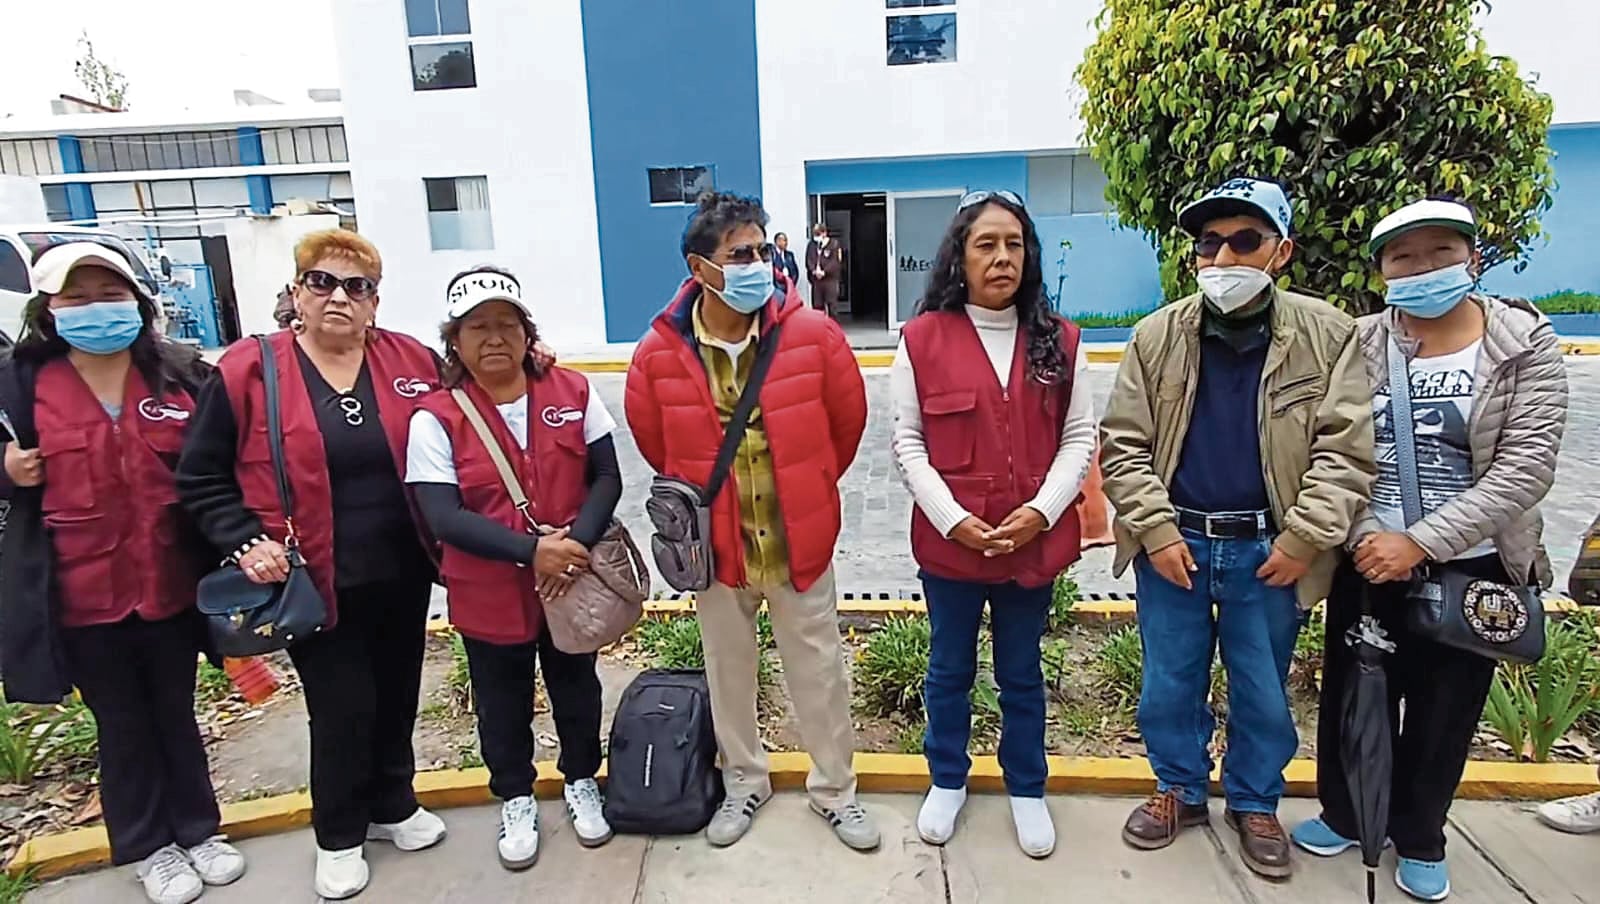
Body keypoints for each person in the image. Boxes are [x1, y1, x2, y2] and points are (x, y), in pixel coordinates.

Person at [1099, 177, 1375, 878]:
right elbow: (1123, 446)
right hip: (1178, 545)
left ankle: (1254, 801)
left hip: (1270, 551)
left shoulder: (1326, 335)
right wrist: (1156, 532)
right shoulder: (1157, 336)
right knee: (1169, 681)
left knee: (1262, 687)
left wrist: (1304, 538)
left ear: (1281, 252)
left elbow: (1345, 450)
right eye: (1209, 243)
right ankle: (1180, 789)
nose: (1223, 258)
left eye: (1244, 241)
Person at [1292, 198, 1568, 901]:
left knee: (1446, 707)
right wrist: (1364, 535)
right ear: (1381, 269)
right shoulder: (1360, 343)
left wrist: (1420, 542)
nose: (1422, 268)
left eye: (1441, 252)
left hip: (1472, 563)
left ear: (1472, 257)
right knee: (1355, 693)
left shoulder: (1522, 344)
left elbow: (1526, 466)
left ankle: (1420, 835)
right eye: (1403, 257)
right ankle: (1348, 814)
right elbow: (1330, 446)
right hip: (1368, 554)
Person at [177, 229, 447, 900]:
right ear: (297, 292)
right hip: (313, 577)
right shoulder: (250, 368)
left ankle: (392, 804)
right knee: (341, 708)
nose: (338, 298)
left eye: (357, 287)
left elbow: (468, 405)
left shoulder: (410, 358)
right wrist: (246, 541)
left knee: (398, 694)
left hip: (402, 570)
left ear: (375, 301)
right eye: (321, 282)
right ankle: (340, 835)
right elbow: (201, 475)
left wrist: (534, 358)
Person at [624, 192, 876, 851]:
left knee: (820, 672)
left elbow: (847, 425)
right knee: (727, 670)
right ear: (699, 267)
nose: (758, 265)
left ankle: (836, 790)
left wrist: (809, 485)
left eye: (763, 251)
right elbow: (654, 442)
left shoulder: (813, 335)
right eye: (741, 255)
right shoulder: (658, 353)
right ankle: (744, 781)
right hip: (717, 551)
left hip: (799, 543)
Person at [0, 243, 245, 904]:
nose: (96, 309)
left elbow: (221, 461)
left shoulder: (181, 375)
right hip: (81, 596)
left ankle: (199, 831)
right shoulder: (18, 383)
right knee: (122, 724)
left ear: (137, 302)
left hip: (169, 585)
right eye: (77, 298)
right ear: (49, 309)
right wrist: (7, 469)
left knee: (176, 713)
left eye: (110, 295)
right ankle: (148, 846)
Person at [891, 190, 1097, 858]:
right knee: (949, 668)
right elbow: (907, 443)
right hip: (952, 549)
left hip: (1030, 545)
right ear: (960, 256)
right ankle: (947, 779)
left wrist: (1042, 511)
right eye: (986, 244)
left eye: (1014, 244)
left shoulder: (1061, 341)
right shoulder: (921, 341)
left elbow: (1080, 436)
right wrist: (953, 520)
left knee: (1022, 672)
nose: (1002, 257)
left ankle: (1027, 787)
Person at [405, 265, 621, 870]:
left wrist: (572, 547)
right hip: (488, 591)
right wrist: (533, 553)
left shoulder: (573, 392)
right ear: (454, 341)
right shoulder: (435, 417)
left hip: (571, 583)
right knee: (501, 700)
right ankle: (516, 796)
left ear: (528, 334)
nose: (495, 337)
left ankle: (581, 778)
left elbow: (606, 476)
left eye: (507, 324)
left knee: (577, 687)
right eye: (478, 327)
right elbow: (442, 514)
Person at [805, 223, 844, 318]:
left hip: (830, 280)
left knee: (832, 306)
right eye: (815, 234)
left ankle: (832, 326)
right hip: (816, 281)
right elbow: (809, 259)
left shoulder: (834, 244)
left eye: (818, 234)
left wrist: (824, 272)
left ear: (824, 233)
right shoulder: (811, 245)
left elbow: (835, 262)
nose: (816, 237)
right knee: (817, 307)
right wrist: (813, 270)